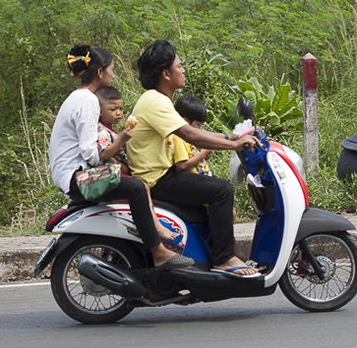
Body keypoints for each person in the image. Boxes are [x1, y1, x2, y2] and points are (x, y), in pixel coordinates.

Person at [48, 41, 191, 269]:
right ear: (100, 72)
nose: (114, 75)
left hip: (71, 174)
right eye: (112, 70)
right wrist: (115, 153)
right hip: (77, 178)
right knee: (136, 188)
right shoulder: (88, 101)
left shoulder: (78, 97)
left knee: (136, 183)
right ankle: (159, 252)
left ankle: (149, 238)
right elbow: (91, 153)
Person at [126, 39, 261, 279]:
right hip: (157, 180)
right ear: (166, 73)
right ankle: (222, 259)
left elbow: (193, 131)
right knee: (221, 191)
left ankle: (211, 256)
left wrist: (231, 135)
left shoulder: (157, 99)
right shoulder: (155, 101)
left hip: (161, 175)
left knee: (212, 195)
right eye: (179, 66)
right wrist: (233, 144)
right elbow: (189, 134)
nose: (183, 70)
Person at [172, 94, 256, 266]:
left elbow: (200, 146)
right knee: (228, 209)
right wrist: (202, 154)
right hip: (192, 184)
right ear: (185, 121)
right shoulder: (179, 137)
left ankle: (227, 250)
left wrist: (229, 138)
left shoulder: (187, 136)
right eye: (197, 126)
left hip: (199, 180)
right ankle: (232, 254)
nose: (200, 130)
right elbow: (182, 165)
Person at [95, 86, 179, 241]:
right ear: (100, 111)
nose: (118, 113)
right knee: (143, 188)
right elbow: (104, 154)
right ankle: (156, 227)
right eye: (113, 109)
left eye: (121, 109)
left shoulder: (110, 130)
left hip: (120, 169)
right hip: (109, 173)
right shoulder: (101, 131)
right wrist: (122, 140)